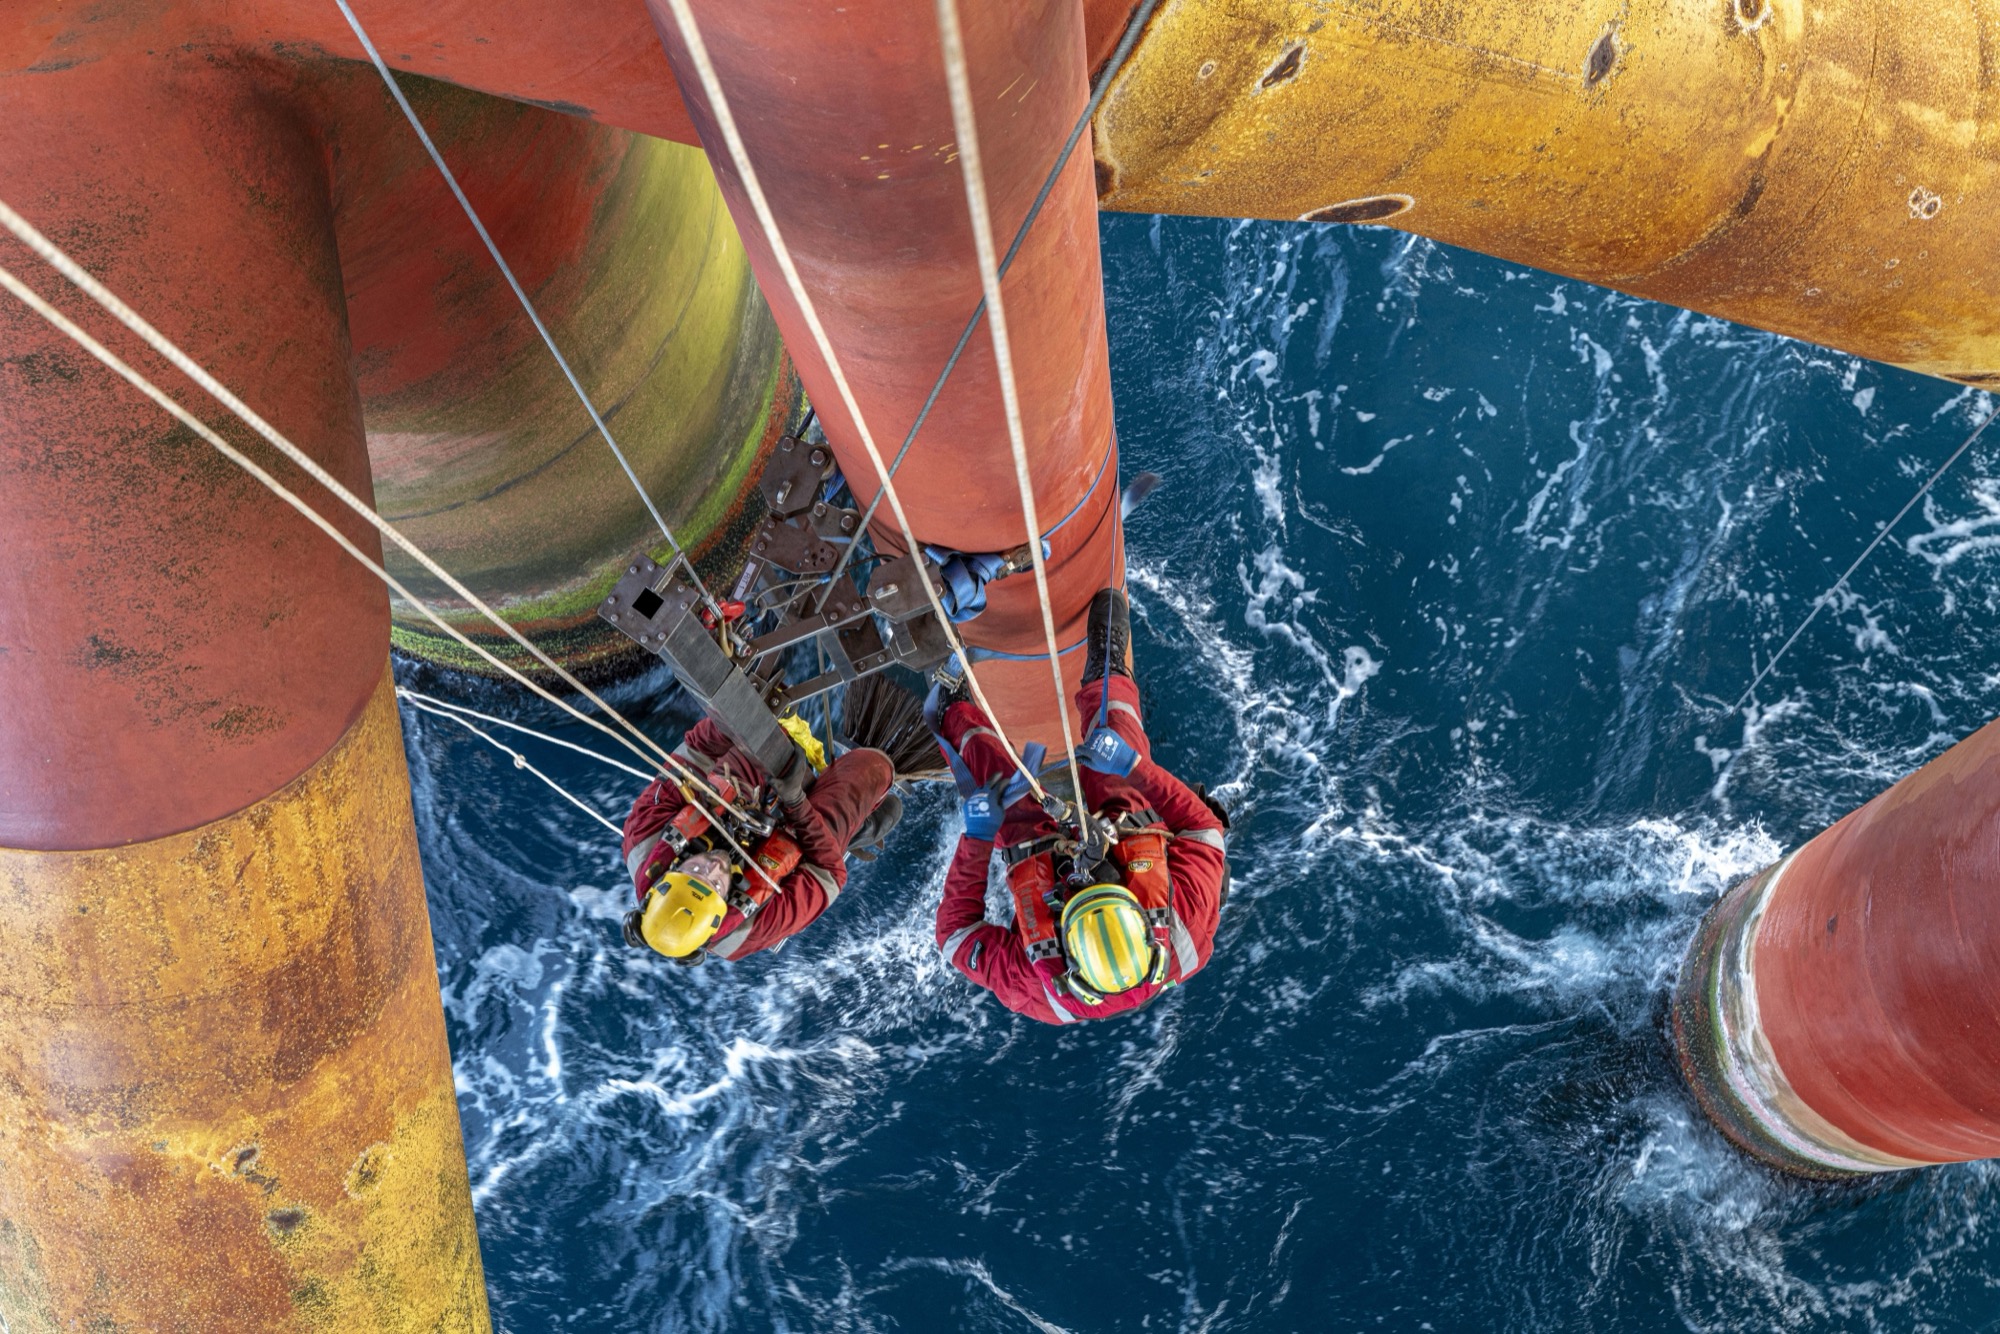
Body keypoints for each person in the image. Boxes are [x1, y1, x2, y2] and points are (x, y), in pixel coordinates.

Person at [932, 587, 1229, 1023]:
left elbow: (956, 936)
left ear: (1066, 948)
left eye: (1078, 889)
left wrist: (975, 839)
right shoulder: (1187, 921)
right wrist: (1134, 767)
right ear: (1144, 921)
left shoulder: (1036, 987)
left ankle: (953, 710)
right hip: (1130, 841)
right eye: (1100, 883)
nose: (1084, 871)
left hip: (1042, 865)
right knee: (1119, 755)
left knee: (1004, 802)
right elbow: (1204, 829)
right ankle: (1107, 670)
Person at [621, 718, 899, 963]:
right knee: (873, 767)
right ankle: (855, 827)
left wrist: (738, 715)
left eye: (695, 870)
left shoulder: (642, 838)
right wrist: (796, 805)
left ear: (669, 872)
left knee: (762, 737)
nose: (715, 866)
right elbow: (829, 874)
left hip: (732, 801)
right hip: (790, 848)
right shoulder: (752, 930)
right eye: (717, 884)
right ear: (726, 903)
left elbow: (697, 751)